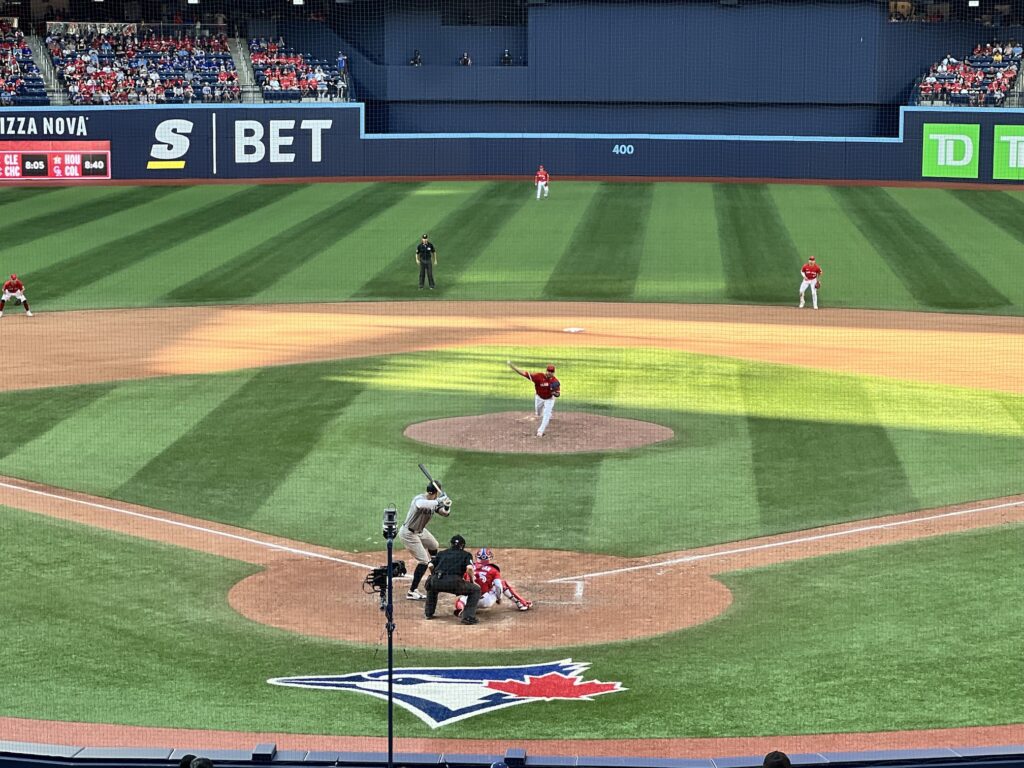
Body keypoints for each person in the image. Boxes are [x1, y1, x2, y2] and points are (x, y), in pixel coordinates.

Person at [399, 482, 451, 600]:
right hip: (409, 533)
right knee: (423, 561)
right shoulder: (419, 499)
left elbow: (445, 513)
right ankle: (412, 591)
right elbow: (420, 504)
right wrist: (439, 500)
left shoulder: (434, 501)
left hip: (420, 531)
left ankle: (435, 572)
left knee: (434, 545)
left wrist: (447, 505)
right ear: (435, 492)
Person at [454, 547, 532, 617]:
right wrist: (499, 598)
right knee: (502, 583)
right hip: (486, 601)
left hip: (471, 599)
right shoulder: (493, 570)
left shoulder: (469, 568)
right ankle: (522, 604)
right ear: (489, 557)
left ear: (477, 557)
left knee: (460, 601)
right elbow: (498, 586)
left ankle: (461, 609)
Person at [425, 534, 481, 624]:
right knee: (476, 590)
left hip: (437, 580)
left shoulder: (441, 553)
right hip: (454, 583)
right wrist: (472, 581)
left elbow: (430, 565)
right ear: (462, 545)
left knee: (431, 585)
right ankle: (468, 617)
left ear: (451, 544)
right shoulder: (466, 554)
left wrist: (434, 576)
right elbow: (469, 568)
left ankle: (428, 613)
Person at [506, 361, 560, 437]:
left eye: (551, 372)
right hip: (539, 398)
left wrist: (554, 393)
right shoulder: (538, 376)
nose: (550, 373)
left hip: (549, 399)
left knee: (546, 414)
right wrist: (513, 367)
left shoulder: (555, 382)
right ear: (546, 371)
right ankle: (545, 414)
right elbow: (524, 374)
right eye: (549, 371)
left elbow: (558, 394)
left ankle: (540, 431)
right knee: (538, 413)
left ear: (553, 373)